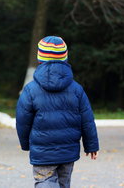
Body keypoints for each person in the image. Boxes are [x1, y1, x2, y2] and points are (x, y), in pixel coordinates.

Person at [16, 36, 99, 188]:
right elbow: (87, 119)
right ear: (65, 59)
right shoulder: (76, 89)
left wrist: (25, 144)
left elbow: (22, 121)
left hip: (42, 152)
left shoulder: (30, 90)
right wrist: (91, 145)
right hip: (68, 151)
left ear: (40, 60)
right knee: (63, 184)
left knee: (44, 182)